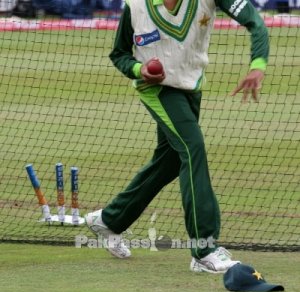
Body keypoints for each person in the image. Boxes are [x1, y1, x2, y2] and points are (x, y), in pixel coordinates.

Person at [85, 0, 269, 274]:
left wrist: (257, 65)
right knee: (193, 148)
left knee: (170, 160)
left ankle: (109, 220)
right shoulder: (134, 6)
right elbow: (120, 53)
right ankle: (204, 250)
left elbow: (256, 23)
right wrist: (139, 70)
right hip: (156, 90)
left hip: (191, 87)